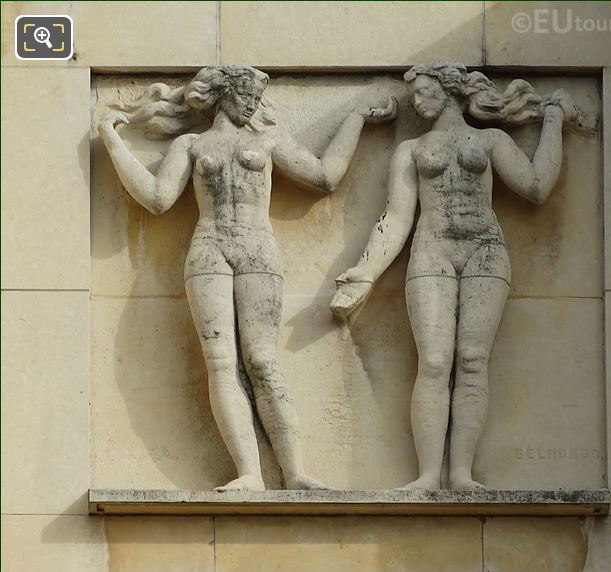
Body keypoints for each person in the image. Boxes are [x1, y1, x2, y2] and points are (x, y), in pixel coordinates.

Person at [99, 64, 396, 491]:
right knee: (221, 361)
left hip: (257, 248)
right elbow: (158, 198)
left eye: (258, 98)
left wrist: (355, 119)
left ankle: (294, 473)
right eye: (247, 95)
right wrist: (112, 141)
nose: (254, 104)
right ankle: (249, 473)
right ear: (224, 94)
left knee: (261, 359)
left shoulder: (268, 140)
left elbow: (326, 176)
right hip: (209, 249)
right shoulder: (192, 144)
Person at [330, 62, 579, 490]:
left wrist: (553, 122)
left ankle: (461, 473)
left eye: (424, 91)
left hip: (484, 249)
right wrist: (365, 270)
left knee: (471, 359)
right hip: (432, 251)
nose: (416, 100)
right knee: (434, 361)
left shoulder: (490, 139)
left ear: (448, 91)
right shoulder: (410, 150)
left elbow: (537, 187)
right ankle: (428, 475)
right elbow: (396, 217)